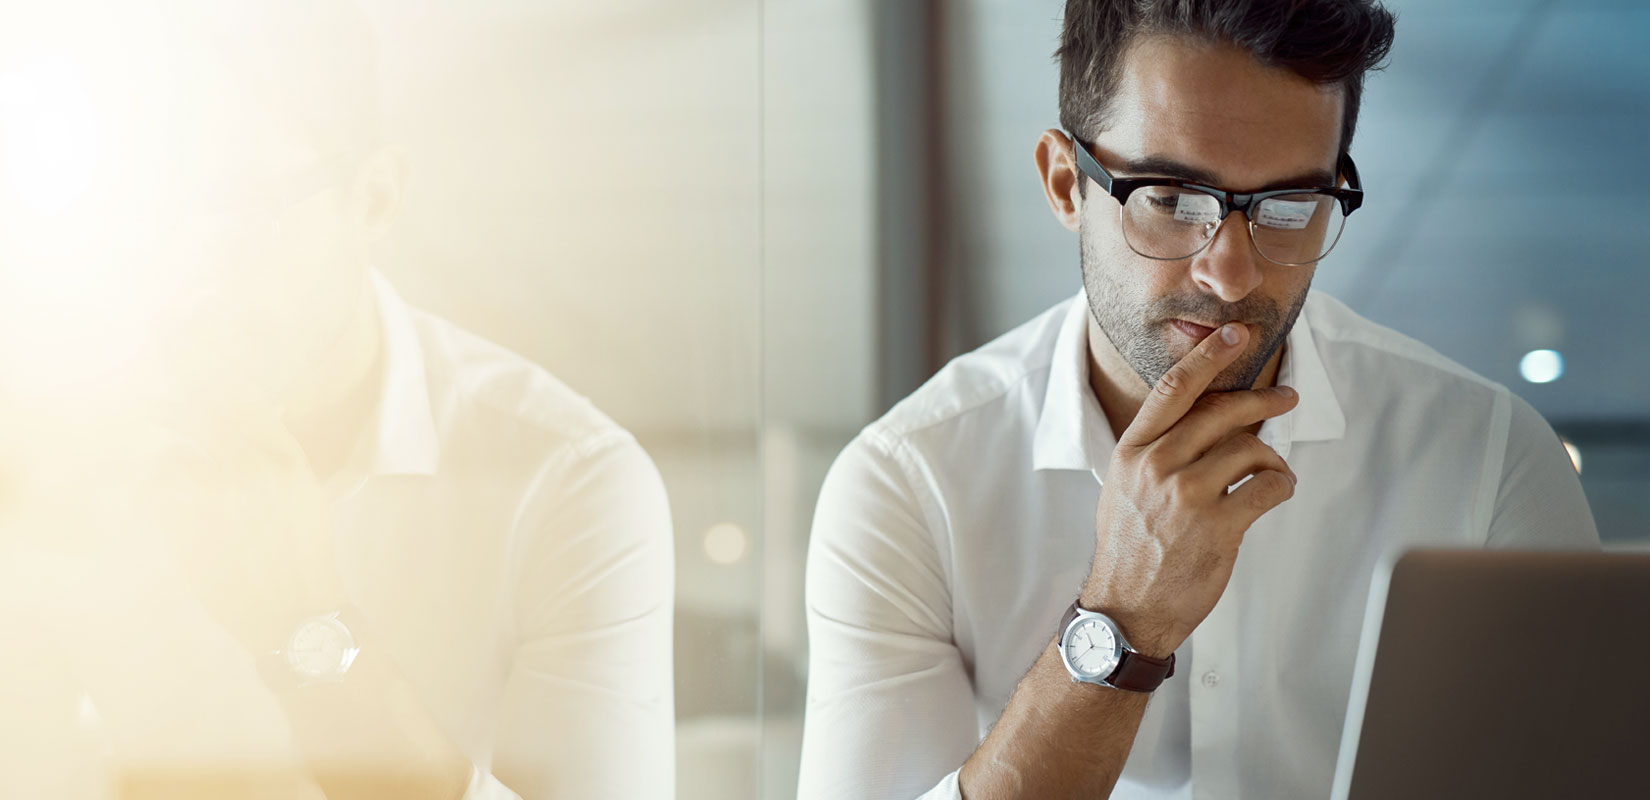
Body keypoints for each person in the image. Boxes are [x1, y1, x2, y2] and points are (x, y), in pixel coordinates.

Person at [796, 1, 1598, 798]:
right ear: (1066, 182)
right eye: (1174, 200)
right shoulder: (909, 484)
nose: (1231, 275)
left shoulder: (1489, 462)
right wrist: (1120, 621)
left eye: (1288, 207)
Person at [0, 2, 673, 798]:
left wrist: (303, 625)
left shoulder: (566, 485)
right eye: (148, 211)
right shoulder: (51, 465)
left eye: (240, 204)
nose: (184, 265)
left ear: (375, 197)